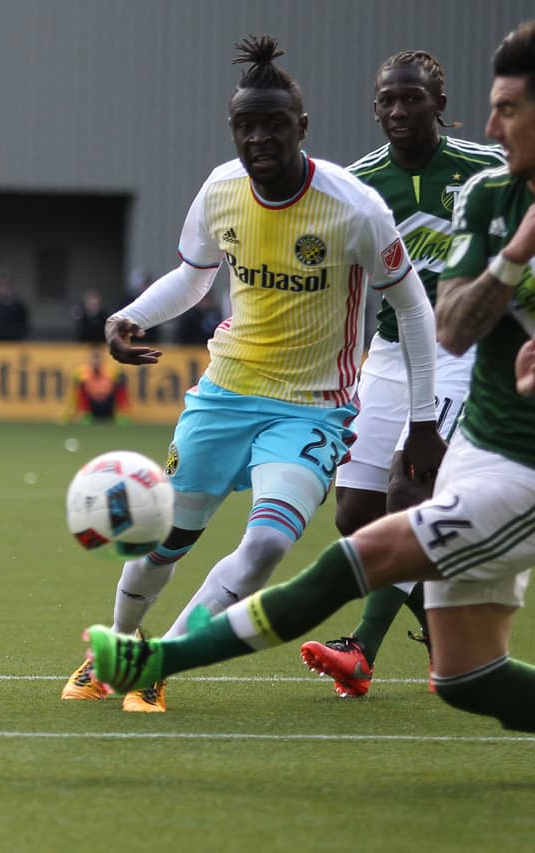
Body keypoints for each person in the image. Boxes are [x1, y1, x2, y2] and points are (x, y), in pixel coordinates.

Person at [85, 21, 535, 732]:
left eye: (273, 125)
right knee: (167, 537)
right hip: (223, 393)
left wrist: (422, 416)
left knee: (271, 542)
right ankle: (109, 652)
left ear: (303, 127)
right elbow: (193, 277)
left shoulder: (354, 204)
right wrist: (129, 316)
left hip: (312, 407)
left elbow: (416, 310)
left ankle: (160, 661)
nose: (258, 138)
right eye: (245, 126)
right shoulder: (221, 189)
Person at [299, 52, 506, 699]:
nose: (397, 111)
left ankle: (360, 647)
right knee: (353, 512)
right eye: (387, 100)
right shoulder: (356, 185)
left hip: (461, 353)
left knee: (406, 491)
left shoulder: (486, 169)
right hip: (388, 357)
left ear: (438, 105)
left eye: (411, 99)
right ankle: (451, 635)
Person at [64, 348, 125, 424]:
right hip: (92, 405)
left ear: (101, 360)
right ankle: (85, 415)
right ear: (90, 360)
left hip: (108, 403)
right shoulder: (81, 372)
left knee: (120, 386)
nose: (96, 362)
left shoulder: (111, 371)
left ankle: (120, 415)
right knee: (80, 388)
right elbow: (74, 395)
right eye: (93, 359)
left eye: (97, 359)